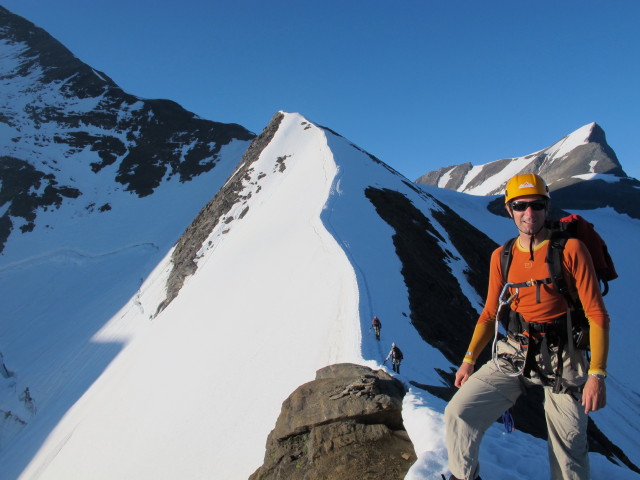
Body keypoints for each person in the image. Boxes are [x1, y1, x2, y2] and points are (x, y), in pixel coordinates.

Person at [444, 173, 609, 480]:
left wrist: (596, 375)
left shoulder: (571, 250)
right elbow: (490, 314)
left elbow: (597, 315)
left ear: (548, 208)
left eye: (536, 205)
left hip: (566, 357)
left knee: (568, 452)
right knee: (460, 414)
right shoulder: (501, 257)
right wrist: (469, 360)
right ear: (509, 209)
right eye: (520, 206)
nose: (528, 213)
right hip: (515, 352)